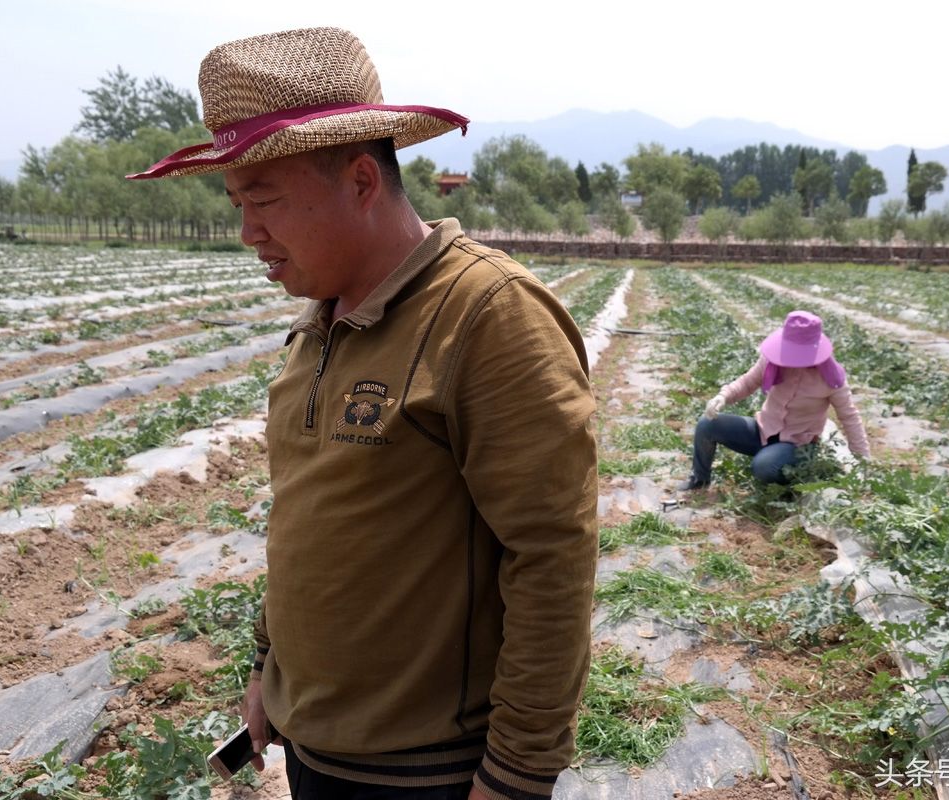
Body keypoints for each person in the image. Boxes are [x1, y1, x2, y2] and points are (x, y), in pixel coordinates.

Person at [129, 27, 598, 800]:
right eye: (237, 202)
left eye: (265, 199)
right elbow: (305, 521)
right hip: (314, 750)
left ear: (359, 181)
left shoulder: (487, 315)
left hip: (429, 773)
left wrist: (516, 774)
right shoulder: (320, 321)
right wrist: (267, 672)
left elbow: (552, 558)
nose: (248, 232)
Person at [679, 310, 869, 490]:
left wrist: (863, 461)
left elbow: (850, 418)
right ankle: (699, 479)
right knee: (708, 425)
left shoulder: (831, 379)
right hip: (762, 431)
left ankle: (790, 483)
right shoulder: (772, 360)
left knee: (764, 466)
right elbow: (747, 382)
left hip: (797, 445)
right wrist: (723, 396)